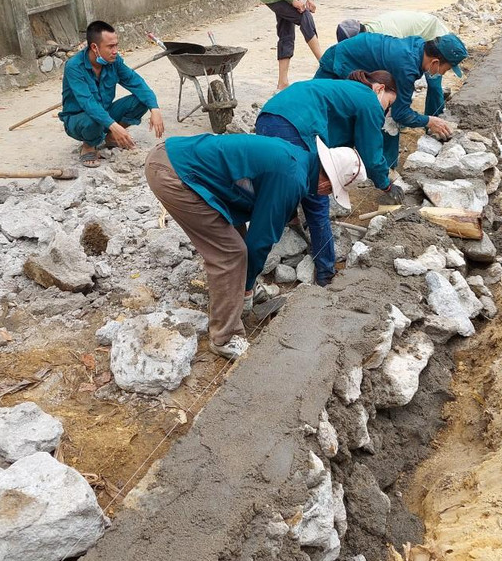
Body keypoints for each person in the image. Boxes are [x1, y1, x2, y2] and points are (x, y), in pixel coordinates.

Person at [144, 133, 368, 360]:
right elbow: (260, 241)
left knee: (236, 239)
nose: (327, 194)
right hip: (174, 174)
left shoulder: (299, 161)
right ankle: (225, 337)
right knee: (231, 254)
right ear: (326, 181)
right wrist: (247, 287)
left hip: (178, 158)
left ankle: (236, 290)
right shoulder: (291, 178)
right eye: (332, 190)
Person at [255, 73, 401, 287]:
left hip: (269, 117)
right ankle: (325, 273)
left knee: (280, 182)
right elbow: (370, 153)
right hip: (294, 125)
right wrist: (386, 184)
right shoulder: (369, 101)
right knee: (317, 198)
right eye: (389, 103)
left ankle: (286, 227)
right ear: (379, 89)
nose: (386, 111)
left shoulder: (346, 91)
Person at [315, 32, 468, 168]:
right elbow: (400, 114)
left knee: (386, 108)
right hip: (339, 63)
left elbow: (398, 107)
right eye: (446, 69)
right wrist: (429, 121)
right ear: (435, 62)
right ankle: (323, 163)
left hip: (354, 55)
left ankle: (386, 164)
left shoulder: (418, 47)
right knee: (325, 114)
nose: (444, 73)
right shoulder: (406, 67)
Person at [59, 20, 164, 168]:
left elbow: (136, 83)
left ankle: (110, 137)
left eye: (116, 45)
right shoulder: (74, 67)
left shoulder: (114, 61)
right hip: (79, 119)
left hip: (105, 113)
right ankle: (88, 146)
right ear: (94, 47)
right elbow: (88, 104)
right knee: (93, 119)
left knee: (141, 101)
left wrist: (155, 108)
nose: (115, 50)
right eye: (110, 46)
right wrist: (114, 125)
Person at [335, 10, 450, 122]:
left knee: (433, 81)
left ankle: (436, 120)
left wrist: (399, 109)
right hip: (418, 37)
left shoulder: (386, 37)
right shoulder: (369, 33)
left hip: (436, 39)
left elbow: (399, 72)